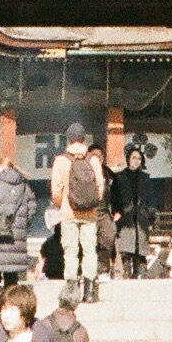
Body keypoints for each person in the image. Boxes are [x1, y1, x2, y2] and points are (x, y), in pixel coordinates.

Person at [55, 125, 110, 300]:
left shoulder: (61, 161)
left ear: (68, 139)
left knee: (70, 250)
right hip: (90, 213)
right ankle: (90, 291)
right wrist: (92, 203)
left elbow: (56, 190)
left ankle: (71, 289)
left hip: (69, 212)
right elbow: (100, 187)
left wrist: (63, 204)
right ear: (84, 139)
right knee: (89, 250)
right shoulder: (93, 160)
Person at [0, 148, 39, 288]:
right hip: (16, 235)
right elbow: (32, 208)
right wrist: (23, 224)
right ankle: (10, 296)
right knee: (12, 271)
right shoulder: (25, 187)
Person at [112, 144, 155, 281]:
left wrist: (151, 217)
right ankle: (126, 274)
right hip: (125, 216)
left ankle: (141, 275)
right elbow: (114, 198)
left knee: (141, 249)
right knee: (126, 248)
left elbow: (150, 199)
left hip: (142, 216)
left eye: (138, 158)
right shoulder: (119, 178)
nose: (136, 161)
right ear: (128, 159)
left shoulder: (145, 178)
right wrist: (116, 212)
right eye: (133, 158)